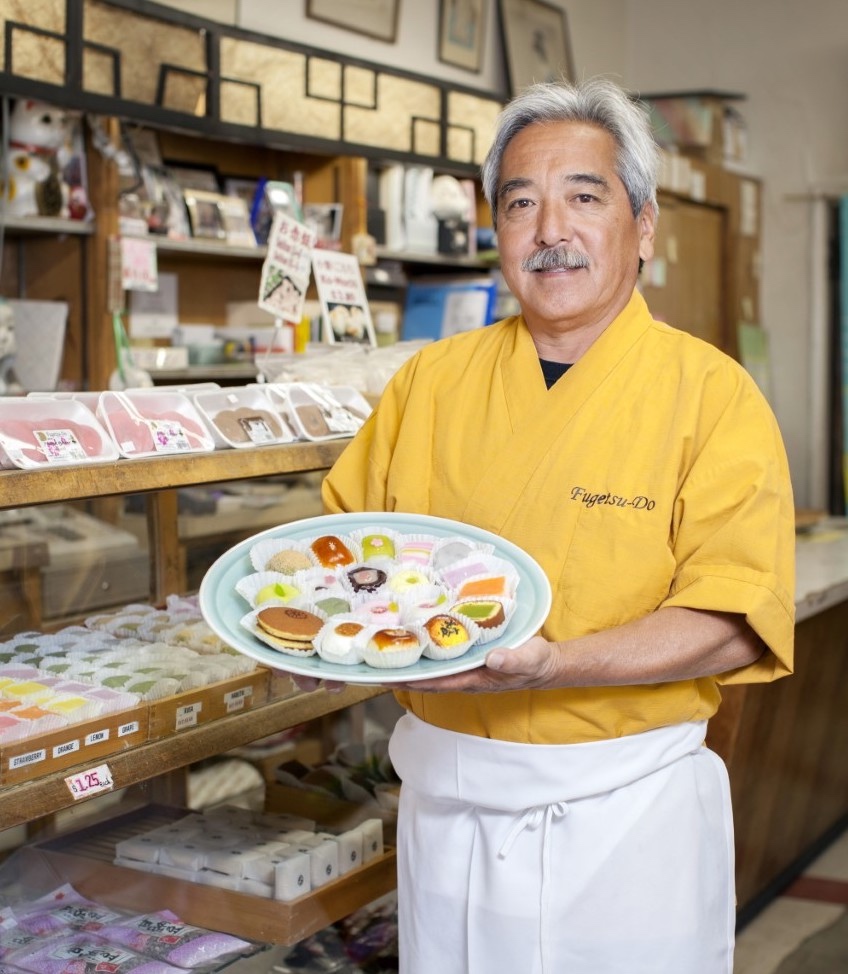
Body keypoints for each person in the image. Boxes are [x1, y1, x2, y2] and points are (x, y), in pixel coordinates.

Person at [316, 77, 795, 973]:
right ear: (496, 230)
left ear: (643, 226)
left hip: (623, 816)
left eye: (584, 196)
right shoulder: (429, 383)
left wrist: (556, 663)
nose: (550, 231)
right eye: (521, 203)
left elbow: (735, 620)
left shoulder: (712, 396)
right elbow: (342, 560)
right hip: (446, 809)